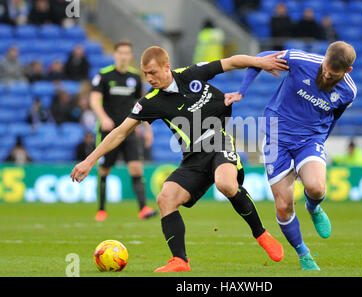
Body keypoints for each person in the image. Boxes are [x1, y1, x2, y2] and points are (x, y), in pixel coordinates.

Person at [71, 45, 289, 273]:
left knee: (226, 184)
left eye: (153, 72)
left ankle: (261, 234)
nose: (149, 78)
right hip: (193, 157)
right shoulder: (150, 101)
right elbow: (120, 131)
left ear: (167, 67)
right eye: (145, 73)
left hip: (218, 141)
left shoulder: (191, 74)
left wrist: (259, 62)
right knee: (165, 198)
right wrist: (90, 160)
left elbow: (232, 61)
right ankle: (180, 261)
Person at [226, 41, 358, 270]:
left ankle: (313, 208)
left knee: (316, 187)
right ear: (324, 57)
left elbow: (334, 117)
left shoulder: (348, 91)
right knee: (284, 205)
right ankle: (303, 254)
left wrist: (320, 142)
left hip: (310, 139)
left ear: (347, 71)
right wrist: (242, 91)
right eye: (325, 67)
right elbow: (261, 58)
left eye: (333, 74)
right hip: (276, 134)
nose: (326, 74)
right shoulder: (300, 61)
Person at [89, 40, 157, 222]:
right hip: (108, 131)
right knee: (104, 169)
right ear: (115, 55)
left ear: (130, 56)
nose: (124, 56)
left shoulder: (134, 77)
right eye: (121, 53)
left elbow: (142, 105)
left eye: (127, 53)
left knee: (136, 168)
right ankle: (101, 209)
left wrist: (147, 128)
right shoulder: (104, 75)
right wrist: (103, 118)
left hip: (129, 131)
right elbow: (94, 100)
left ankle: (143, 209)